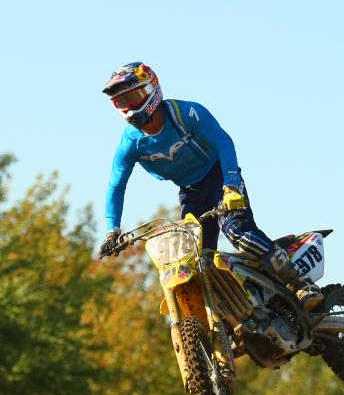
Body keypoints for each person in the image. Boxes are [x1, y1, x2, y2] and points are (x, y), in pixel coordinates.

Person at [99, 61, 322, 310]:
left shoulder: (186, 114)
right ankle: (233, 316)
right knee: (192, 261)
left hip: (219, 178)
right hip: (190, 193)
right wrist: (112, 231)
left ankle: (301, 284)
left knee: (238, 232)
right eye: (121, 102)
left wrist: (232, 186)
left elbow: (223, 143)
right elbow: (116, 186)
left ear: (151, 90)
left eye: (133, 97)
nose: (128, 107)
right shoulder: (130, 143)